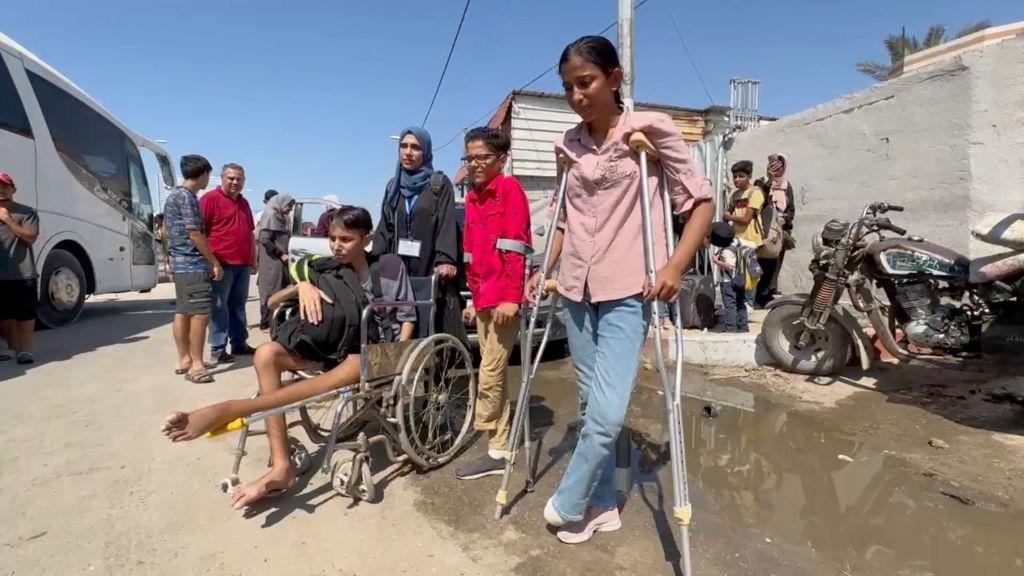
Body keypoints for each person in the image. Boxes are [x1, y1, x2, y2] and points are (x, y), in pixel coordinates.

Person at [531, 36, 714, 544]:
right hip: (575, 288)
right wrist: (545, 265)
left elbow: (700, 202)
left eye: (585, 83)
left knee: (608, 412)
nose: (576, 96)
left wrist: (676, 266)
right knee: (591, 404)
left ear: (614, 79)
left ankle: (565, 504)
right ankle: (603, 503)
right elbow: (564, 217)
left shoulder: (650, 129)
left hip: (628, 287)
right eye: (568, 87)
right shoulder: (568, 144)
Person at [161, 206, 416, 509]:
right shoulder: (324, 268)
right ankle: (281, 466)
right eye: (332, 238)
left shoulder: (387, 266)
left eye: (346, 239)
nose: (337, 245)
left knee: (346, 368)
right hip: (332, 347)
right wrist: (302, 287)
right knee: (267, 354)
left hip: (373, 350)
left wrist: (394, 358)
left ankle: (228, 409)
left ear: (367, 239)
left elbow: (407, 316)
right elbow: (271, 301)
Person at [454, 127, 531, 481]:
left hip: (503, 300)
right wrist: (472, 298)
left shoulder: (509, 190)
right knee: (489, 370)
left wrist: (511, 298)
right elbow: (471, 254)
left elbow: (515, 246)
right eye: (469, 158)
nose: (474, 164)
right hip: (483, 298)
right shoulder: (471, 198)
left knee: (490, 373)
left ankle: (495, 443)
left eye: (482, 157)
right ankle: (498, 447)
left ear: (502, 159)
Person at [372, 127, 466, 344]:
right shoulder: (392, 186)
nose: (408, 152)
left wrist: (446, 259)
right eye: (403, 146)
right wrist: (375, 260)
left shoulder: (438, 184)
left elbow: (446, 222)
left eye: (415, 147)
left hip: (429, 264)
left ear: (426, 152)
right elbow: (385, 226)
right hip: (400, 267)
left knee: (431, 320)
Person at [163, 155, 222, 383]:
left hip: (180, 263)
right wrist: (213, 261)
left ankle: (184, 358)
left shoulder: (173, 197)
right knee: (200, 314)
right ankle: (196, 365)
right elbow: (194, 233)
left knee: (183, 310)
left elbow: (167, 232)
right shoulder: (187, 198)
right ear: (204, 173)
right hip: (192, 264)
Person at [200, 163, 257, 363]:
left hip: (242, 263)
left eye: (239, 179)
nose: (235, 182)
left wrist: (253, 258)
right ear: (222, 178)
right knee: (219, 307)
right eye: (231, 178)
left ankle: (239, 344)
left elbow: (250, 232)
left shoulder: (244, 203)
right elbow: (200, 233)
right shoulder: (210, 200)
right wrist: (210, 262)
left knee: (238, 305)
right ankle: (218, 348)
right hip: (221, 264)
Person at [0, 172, 40, 365]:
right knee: (4, 316)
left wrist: (7, 220)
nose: (1, 189)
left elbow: (30, 237)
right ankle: (12, 348)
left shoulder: (26, 212)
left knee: (25, 315)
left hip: (23, 273)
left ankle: (25, 351)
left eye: (5, 185)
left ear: (13, 189)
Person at [754, 154, 795, 306]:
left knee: (775, 261)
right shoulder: (761, 182)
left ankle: (770, 291)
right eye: (772, 166)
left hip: (780, 231)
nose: (776, 169)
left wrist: (786, 219)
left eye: (779, 166)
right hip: (764, 228)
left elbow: (791, 209)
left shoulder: (786, 185)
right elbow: (759, 199)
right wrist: (769, 180)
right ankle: (759, 294)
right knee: (762, 261)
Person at [710, 222, 760, 333]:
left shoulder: (726, 251)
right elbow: (755, 245)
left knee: (730, 306)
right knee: (741, 304)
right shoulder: (738, 241)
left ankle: (730, 328)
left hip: (729, 281)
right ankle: (743, 327)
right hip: (742, 279)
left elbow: (729, 266)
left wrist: (716, 261)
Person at [256, 193, 295, 332]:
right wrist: (281, 254)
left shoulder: (282, 217)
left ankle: (277, 322)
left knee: (281, 289)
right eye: (288, 206)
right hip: (272, 261)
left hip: (281, 262)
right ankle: (267, 322)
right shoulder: (270, 215)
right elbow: (265, 239)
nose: (289, 209)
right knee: (270, 289)